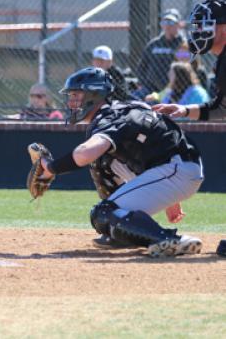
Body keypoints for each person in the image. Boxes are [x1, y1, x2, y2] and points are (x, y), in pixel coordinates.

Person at [38, 67, 204, 258]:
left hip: (175, 169)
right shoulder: (124, 108)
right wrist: (169, 195)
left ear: (94, 94)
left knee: (103, 213)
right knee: (104, 161)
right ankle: (120, 233)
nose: (71, 101)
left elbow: (85, 154)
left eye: (76, 94)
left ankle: (169, 239)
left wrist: (50, 167)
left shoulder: (108, 116)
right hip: (174, 167)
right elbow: (156, 139)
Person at [154, 0, 226, 257]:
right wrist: (184, 110)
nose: (198, 32)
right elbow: (221, 107)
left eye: (205, 26)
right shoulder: (221, 60)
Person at [136, 8, 186, 97]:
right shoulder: (153, 44)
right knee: (133, 100)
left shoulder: (183, 46)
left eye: (171, 23)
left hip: (174, 90)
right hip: (150, 89)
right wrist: (144, 83)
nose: (167, 26)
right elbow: (142, 67)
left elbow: (187, 67)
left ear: (178, 25)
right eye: (164, 23)